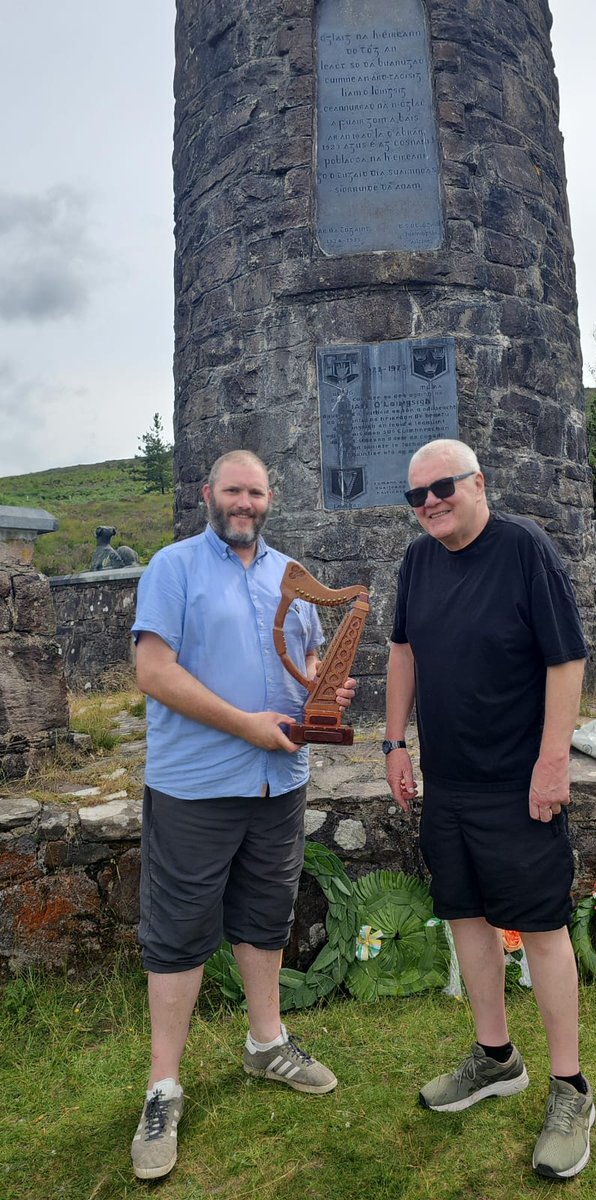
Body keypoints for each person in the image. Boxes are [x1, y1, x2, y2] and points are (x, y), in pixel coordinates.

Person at [130, 449, 356, 1180]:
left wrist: (328, 698)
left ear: (268, 499)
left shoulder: (287, 571)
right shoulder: (174, 568)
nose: (244, 503)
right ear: (209, 494)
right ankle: (163, 1086)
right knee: (179, 931)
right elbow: (153, 671)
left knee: (264, 916)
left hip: (277, 782)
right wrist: (245, 725)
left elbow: (310, 672)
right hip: (197, 784)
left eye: (255, 493)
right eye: (233, 490)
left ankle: (266, 1045)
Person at [384, 438, 595, 1180]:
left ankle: (570, 1090)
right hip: (447, 782)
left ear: (478, 482)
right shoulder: (416, 562)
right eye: (415, 496)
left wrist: (550, 763)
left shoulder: (523, 549)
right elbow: (402, 651)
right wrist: (393, 743)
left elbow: (564, 659)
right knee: (466, 920)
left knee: (539, 928)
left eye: (441, 487)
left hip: (517, 782)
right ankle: (494, 1057)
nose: (429, 503)